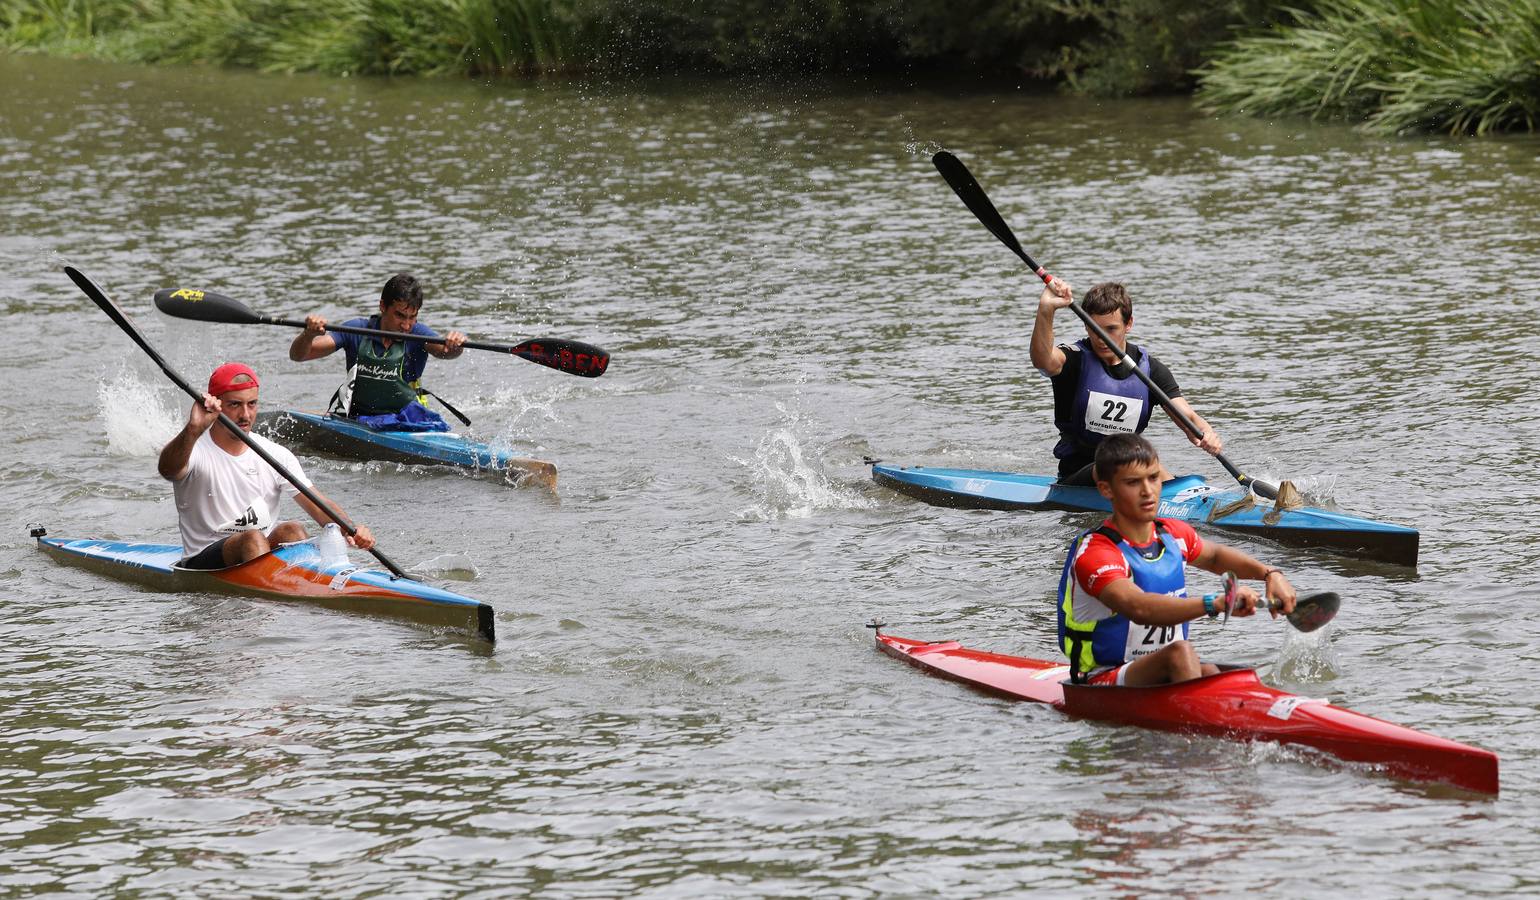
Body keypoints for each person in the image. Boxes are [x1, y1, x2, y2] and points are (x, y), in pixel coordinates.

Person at [1055, 433, 1297, 686]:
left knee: (1217, 674)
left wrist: (1271, 574)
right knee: (1181, 653)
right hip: (1099, 678)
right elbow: (1139, 608)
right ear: (1106, 489)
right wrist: (1214, 603)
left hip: (1157, 671)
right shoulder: (1096, 553)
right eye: (1133, 483)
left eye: (1153, 478)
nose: (1148, 491)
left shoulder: (1172, 534)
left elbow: (1214, 557)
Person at [158, 362, 376, 569]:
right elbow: (167, 469)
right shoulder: (194, 450)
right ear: (216, 405)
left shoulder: (275, 454)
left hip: (258, 552)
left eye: (251, 404)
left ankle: (300, 592)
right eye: (235, 405)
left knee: (293, 530)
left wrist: (351, 529)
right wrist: (193, 429)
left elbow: (318, 505)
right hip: (203, 558)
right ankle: (266, 605)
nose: (245, 415)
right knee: (252, 538)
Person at [1030, 277, 1223, 485]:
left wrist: (1207, 434)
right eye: (1094, 328)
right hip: (1079, 476)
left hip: (1132, 471)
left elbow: (1188, 417)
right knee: (1136, 458)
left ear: (1128, 324)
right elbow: (1043, 361)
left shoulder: (1150, 370)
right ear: (1086, 326)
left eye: (1111, 329)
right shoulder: (1073, 360)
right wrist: (1046, 309)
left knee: (1142, 461)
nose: (1101, 338)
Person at [288, 272, 467, 422]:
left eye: (412, 317)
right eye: (399, 315)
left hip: (407, 420)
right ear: (382, 306)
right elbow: (299, 355)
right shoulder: (356, 329)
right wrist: (308, 335)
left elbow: (445, 352)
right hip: (358, 417)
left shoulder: (418, 334)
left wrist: (455, 345)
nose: (406, 325)